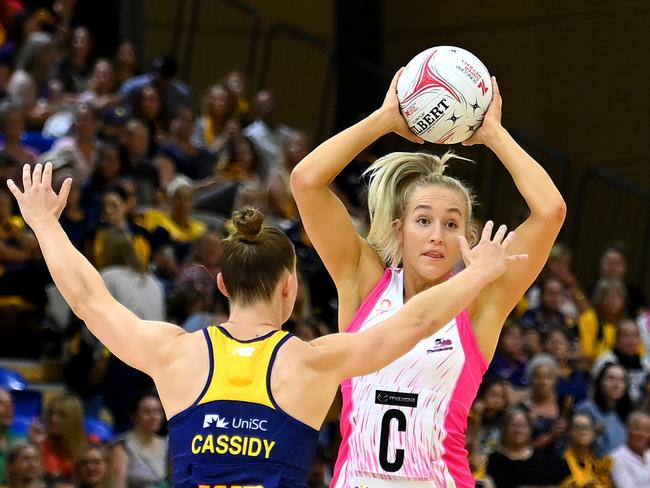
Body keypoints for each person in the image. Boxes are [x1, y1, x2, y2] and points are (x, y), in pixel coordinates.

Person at [7, 162, 525, 487]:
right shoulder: (313, 362)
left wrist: (47, 226)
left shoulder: (175, 353)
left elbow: (90, 302)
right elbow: (417, 321)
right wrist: (475, 275)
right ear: (289, 287)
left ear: (223, 286)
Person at [290, 69, 566, 487]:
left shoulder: (481, 298)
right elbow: (306, 181)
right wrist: (384, 119)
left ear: (469, 238)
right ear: (399, 229)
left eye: (452, 225)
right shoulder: (364, 280)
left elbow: (550, 211)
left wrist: (493, 133)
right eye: (423, 220)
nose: (437, 235)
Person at [610, 410, 650, 487]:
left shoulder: (648, 454)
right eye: (637, 429)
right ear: (627, 429)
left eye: (647, 430)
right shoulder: (616, 458)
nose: (642, 434)